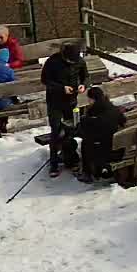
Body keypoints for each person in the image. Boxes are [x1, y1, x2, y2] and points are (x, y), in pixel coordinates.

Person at [40, 41, 89, 176]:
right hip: (55, 101)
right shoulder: (52, 61)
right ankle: (54, 163)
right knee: (56, 131)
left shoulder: (80, 61)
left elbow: (86, 77)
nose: (71, 62)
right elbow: (45, 80)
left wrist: (83, 85)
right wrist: (61, 88)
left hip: (71, 101)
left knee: (70, 130)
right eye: (69, 60)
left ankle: (70, 158)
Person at [77, 85, 128, 183]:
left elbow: (86, 132)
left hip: (105, 153)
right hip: (118, 150)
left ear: (93, 99)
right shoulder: (114, 109)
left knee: (86, 142)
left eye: (89, 99)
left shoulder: (93, 115)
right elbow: (123, 121)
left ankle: (86, 173)